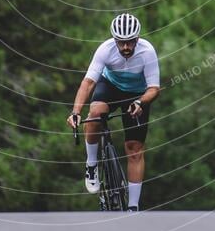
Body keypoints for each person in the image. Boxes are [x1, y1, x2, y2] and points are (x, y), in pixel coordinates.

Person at [67, 13, 160, 212]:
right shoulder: (105, 50)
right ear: (114, 40)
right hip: (110, 86)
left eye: (129, 42)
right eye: (121, 42)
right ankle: (91, 164)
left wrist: (140, 102)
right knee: (95, 112)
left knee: (134, 148)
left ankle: (133, 207)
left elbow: (153, 89)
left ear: (137, 39)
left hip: (137, 95)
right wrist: (75, 112)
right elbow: (88, 82)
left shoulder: (147, 52)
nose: (125, 47)